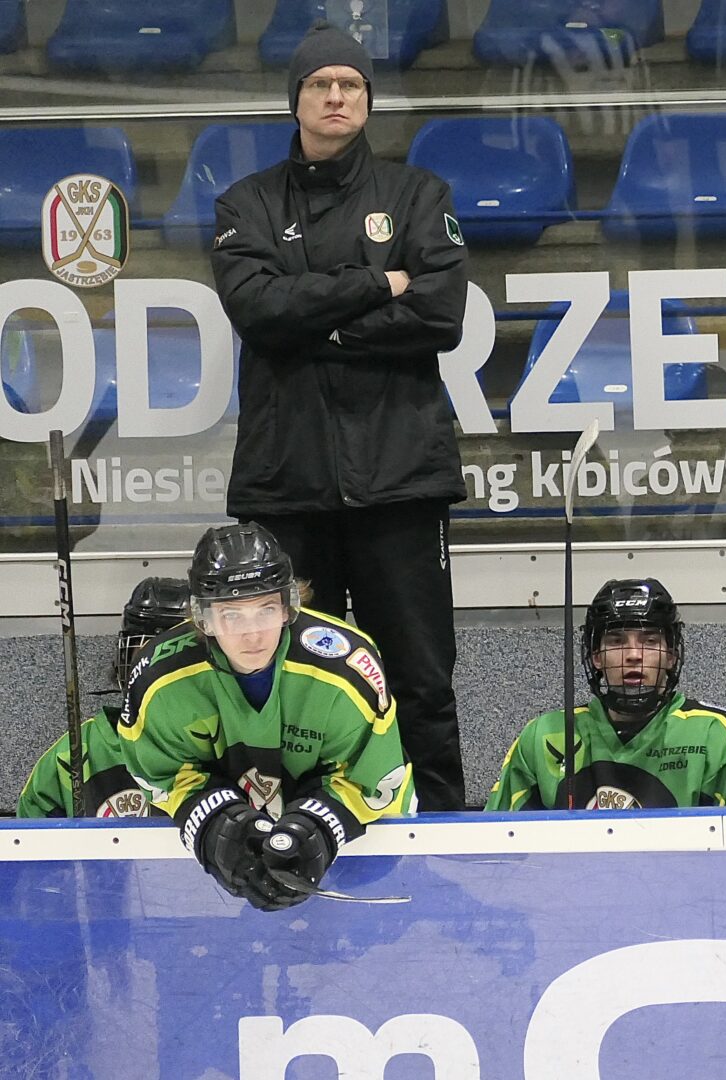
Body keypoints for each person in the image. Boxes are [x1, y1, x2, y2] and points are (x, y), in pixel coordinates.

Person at [209, 23, 469, 810]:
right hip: (288, 488)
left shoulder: (418, 195)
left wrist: (319, 327)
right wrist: (374, 283)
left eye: (349, 84)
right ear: (294, 100)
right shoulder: (246, 203)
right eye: (319, 84)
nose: (335, 96)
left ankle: (443, 835)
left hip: (401, 483)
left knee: (420, 680)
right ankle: (295, 839)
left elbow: (440, 315)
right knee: (292, 686)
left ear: (367, 99)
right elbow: (258, 310)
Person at [118, 523, 413, 911]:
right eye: (232, 616)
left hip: (363, 848)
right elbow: (160, 772)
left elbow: (374, 776)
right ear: (203, 618)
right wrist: (218, 821)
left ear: (289, 606)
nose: (252, 634)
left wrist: (317, 827)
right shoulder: (159, 679)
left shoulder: (346, 669)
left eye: (266, 610)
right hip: (225, 869)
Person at [486, 578, 726, 810]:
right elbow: (497, 844)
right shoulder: (543, 736)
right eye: (616, 641)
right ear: (596, 657)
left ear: (671, 656)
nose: (633, 654)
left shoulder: (717, 736)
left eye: (649, 641)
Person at [17, 578, 189, 818]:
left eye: (179, 660)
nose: (158, 675)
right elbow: (29, 837)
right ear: (122, 660)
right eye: (146, 654)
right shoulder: (73, 756)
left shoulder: (228, 743)